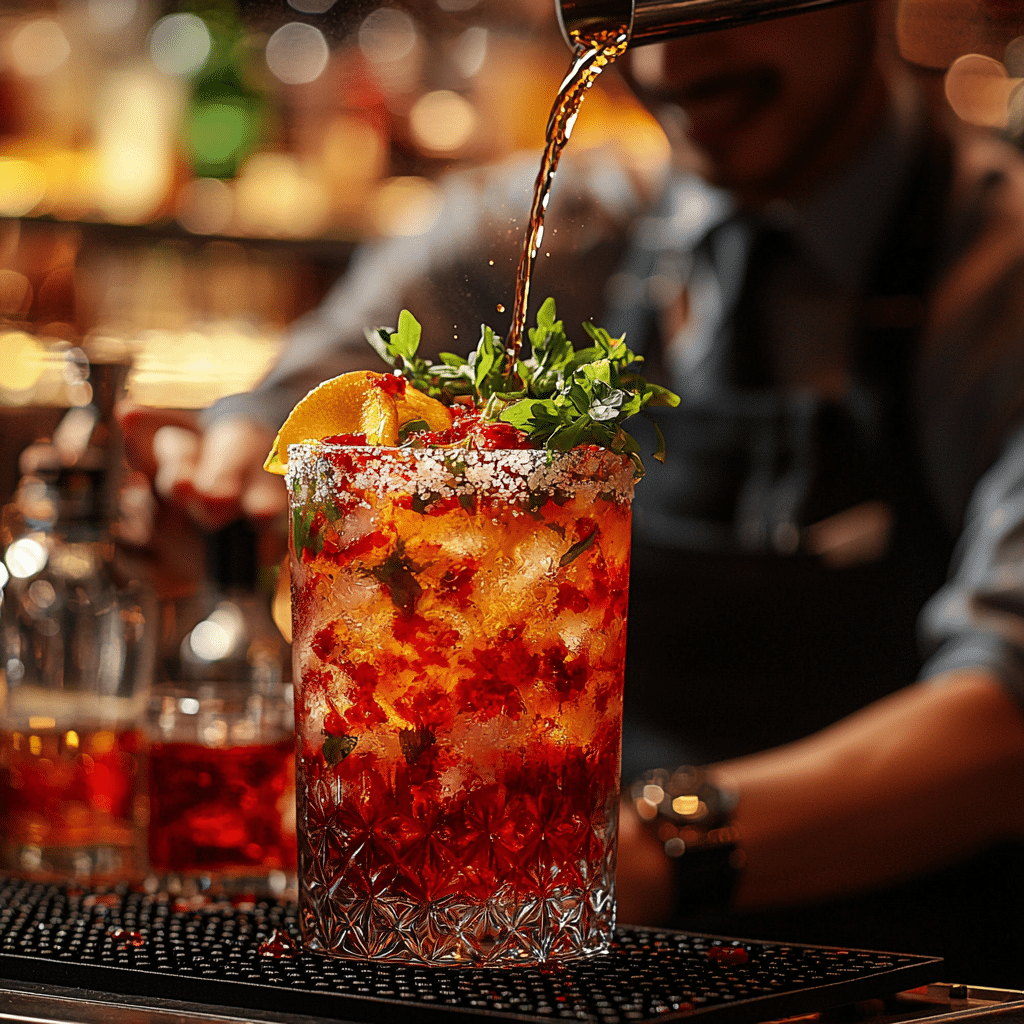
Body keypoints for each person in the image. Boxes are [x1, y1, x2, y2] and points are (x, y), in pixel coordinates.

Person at [121, 0, 1024, 985]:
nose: (674, 53)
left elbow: (1007, 721)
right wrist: (222, 468)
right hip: (562, 958)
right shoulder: (550, 228)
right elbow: (312, 395)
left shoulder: (999, 270)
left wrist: (640, 850)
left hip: (921, 969)